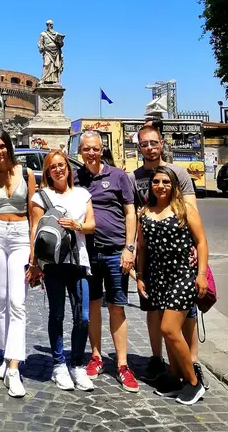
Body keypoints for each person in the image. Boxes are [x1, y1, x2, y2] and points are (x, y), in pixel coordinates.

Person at [129, 124, 207, 389]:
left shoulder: (179, 173)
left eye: (154, 143)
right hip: (154, 262)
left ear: (161, 143)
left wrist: (195, 252)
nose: (149, 148)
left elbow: (190, 213)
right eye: (144, 144)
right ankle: (162, 362)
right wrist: (134, 258)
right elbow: (133, 216)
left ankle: (192, 365)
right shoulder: (134, 178)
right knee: (154, 312)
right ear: (139, 146)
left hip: (181, 262)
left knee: (184, 316)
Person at [75, 131, 139, 392]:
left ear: (102, 150)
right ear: (80, 151)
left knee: (116, 307)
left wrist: (129, 248)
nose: (91, 153)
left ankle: (122, 365)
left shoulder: (118, 176)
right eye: (86, 149)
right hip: (88, 253)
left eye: (95, 149)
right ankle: (96, 356)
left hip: (115, 251)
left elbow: (130, 212)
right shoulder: (76, 178)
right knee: (92, 305)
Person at [29, 150, 96, 391]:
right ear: (47, 172)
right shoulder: (41, 197)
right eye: (53, 167)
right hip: (53, 264)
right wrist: (34, 263)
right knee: (57, 314)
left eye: (61, 165)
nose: (58, 169)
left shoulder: (82, 194)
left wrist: (77, 225)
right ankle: (59, 364)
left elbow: (91, 225)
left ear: (68, 168)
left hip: (79, 262)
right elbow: (35, 230)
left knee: (83, 316)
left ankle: (77, 364)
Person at [0, 128, 36, 397]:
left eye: (2, 146)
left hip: (20, 237)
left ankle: (14, 367)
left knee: (17, 301)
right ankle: (6, 354)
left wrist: (34, 250)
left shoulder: (26, 173)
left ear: (10, 147)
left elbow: (35, 214)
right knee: (0, 300)